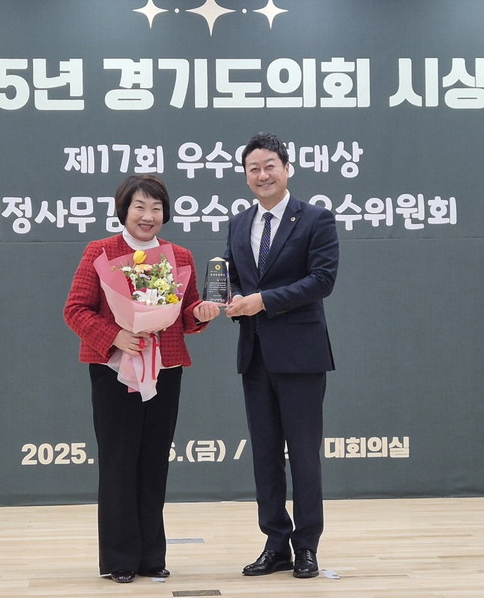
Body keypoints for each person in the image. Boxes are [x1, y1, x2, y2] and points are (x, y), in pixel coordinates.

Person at [64, 174, 220, 584]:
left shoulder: (179, 256)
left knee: (154, 462)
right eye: (140, 207)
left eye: (156, 208)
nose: (148, 215)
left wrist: (200, 314)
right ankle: (119, 558)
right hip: (115, 370)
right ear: (124, 210)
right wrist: (115, 335)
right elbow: (75, 310)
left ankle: (151, 556)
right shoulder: (100, 251)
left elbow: (186, 314)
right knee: (119, 462)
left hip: (164, 371)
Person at [224, 132, 339, 579]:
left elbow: (322, 280)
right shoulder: (238, 222)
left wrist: (263, 301)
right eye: (253, 169)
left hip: (301, 356)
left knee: (304, 456)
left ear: (287, 169)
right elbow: (230, 274)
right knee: (265, 455)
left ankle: (306, 546)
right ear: (246, 176)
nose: (262, 175)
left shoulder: (316, 219)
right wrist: (230, 296)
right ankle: (275, 543)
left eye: (269, 165)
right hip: (255, 355)